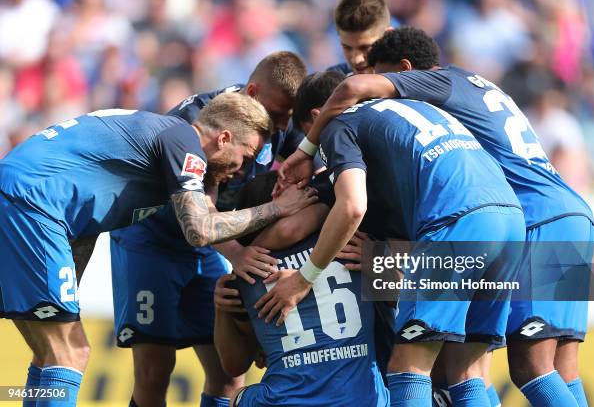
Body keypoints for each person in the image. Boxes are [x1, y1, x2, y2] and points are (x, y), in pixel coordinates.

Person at [280, 27, 594, 407]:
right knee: (518, 367)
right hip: (562, 212)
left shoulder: (433, 89)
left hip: (531, 219)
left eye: (384, 75)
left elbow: (352, 95)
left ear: (406, 70)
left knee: (520, 366)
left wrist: (306, 148)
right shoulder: (466, 93)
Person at [0, 92, 317, 407]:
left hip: (24, 200)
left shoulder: (158, 137)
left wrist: (69, 286)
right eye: (246, 157)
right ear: (223, 138)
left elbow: (85, 223)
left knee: (48, 355)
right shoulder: (183, 140)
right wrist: (276, 209)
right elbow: (199, 229)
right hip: (32, 206)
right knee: (70, 353)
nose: (241, 171)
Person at [260, 71, 525, 406]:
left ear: (317, 117)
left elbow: (353, 206)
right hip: (511, 219)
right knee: (468, 370)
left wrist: (303, 278)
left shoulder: (338, 126)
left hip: (458, 221)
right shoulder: (412, 110)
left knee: (408, 366)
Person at [109, 51, 308, 407]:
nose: (281, 125)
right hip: (152, 240)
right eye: (277, 114)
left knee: (229, 372)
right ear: (252, 91)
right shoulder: (193, 121)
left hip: (209, 246)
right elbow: (198, 215)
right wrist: (238, 253)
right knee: (155, 368)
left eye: (288, 116)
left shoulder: (283, 121)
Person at [214, 170, 389, 407]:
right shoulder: (353, 246)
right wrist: (384, 262)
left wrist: (221, 308)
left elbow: (234, 365)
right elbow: (435, 288)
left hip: (284, 400)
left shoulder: (247, 273)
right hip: (366, 398)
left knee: (236, 398)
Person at [327, 0, 393, 76]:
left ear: (388, 36)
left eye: (365, 47)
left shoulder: (409, 78)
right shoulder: (332, 81)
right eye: (347, 47)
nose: (356, 60)